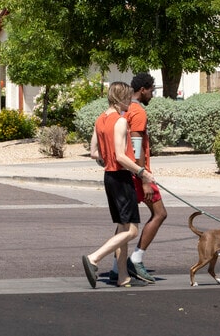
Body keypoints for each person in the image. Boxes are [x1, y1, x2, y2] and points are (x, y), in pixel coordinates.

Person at [81, 81, 156, 288]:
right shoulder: (120, 121)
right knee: (131, 231)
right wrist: (143, 173)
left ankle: (123, 276)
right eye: (128, 98)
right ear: (121, 97)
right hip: (122, 178)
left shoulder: (100, 119)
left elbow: (94, 152)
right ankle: (94, 258)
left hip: (109, 177)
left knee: (122, 227)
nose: (130, 102)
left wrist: (108, 159)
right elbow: (121, 156)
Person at [109, 72, 167, 284]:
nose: (153, 94)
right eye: (152, 90)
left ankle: (118, 266)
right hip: (139, 174)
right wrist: (144, 178)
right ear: (143, 89)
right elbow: (136, 146)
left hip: (126, 173)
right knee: (160, 214)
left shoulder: (122, 111)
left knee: (124, 223)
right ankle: (136, 258)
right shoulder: (138, 112)